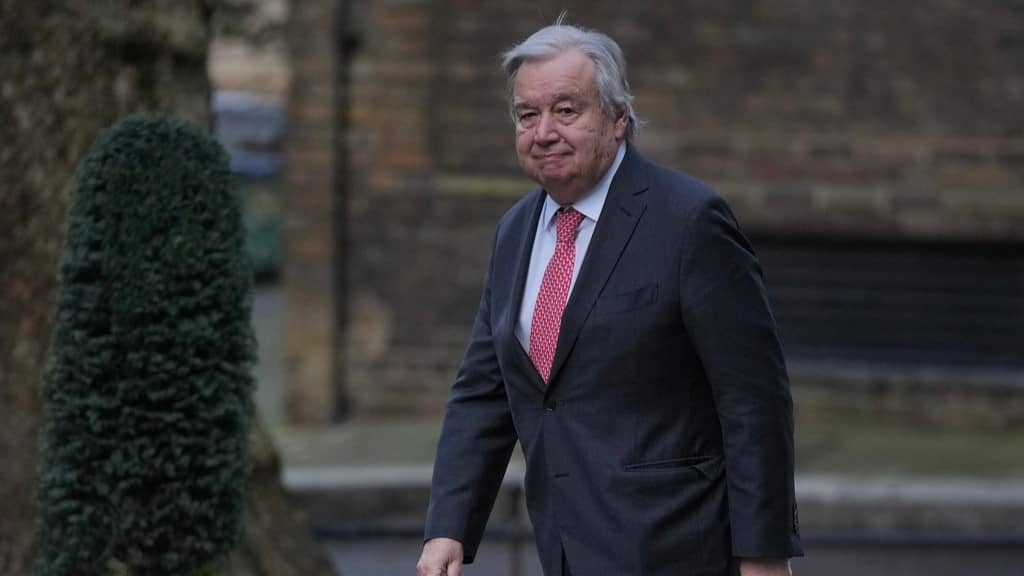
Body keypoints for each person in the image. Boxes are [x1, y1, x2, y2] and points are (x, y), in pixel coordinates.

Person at [417, 18, 803, 576]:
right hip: (564, 547)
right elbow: (484, 391)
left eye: (566, 110)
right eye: (527, 115)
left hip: (679, 549)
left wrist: (764, 556)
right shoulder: (514, 232)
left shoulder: (690, 221)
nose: (543, 132)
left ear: (618, 118)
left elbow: (753, 399)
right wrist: (448, 527)